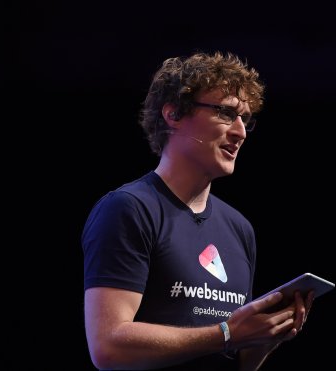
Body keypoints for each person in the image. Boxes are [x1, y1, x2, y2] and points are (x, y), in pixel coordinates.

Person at [81, 51, 314, 371]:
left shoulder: (239, 228)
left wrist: (264, 337)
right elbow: (109, 346)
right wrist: (228, 334)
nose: (240, 132)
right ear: (173, 113)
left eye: (245, 119)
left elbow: (236, 361)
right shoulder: (129, 209)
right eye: (226, 113)